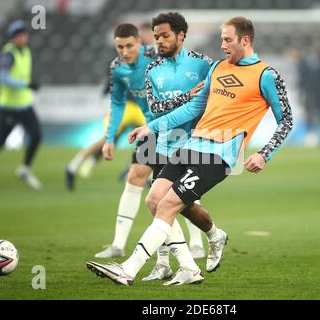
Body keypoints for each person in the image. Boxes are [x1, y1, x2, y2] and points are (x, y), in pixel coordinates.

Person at [87, 16, 293, 287]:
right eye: (221, 39)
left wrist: (263, 154)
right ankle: (195, 260)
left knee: (169, 205)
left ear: (245, 40)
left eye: (228, 40)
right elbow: (194, 108)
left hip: (219, 154)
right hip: (191, 145)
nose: (222, 45)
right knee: (154, 200)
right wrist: (152, 127)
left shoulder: (266, 75)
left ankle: (127, 269)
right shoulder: (217, 67)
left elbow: (286, 120)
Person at [92, 23, 210, 275]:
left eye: (129, 46)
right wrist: (109, 138)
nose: (124, 52)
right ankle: (119, 245)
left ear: (140, 43)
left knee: (174, 189)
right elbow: (117, 102)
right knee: (141, 182)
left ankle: (196, 243)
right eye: (119, 47)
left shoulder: (157, 57)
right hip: (150, 131)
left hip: (174, 128)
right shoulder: (118, 68)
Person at [0, 20, 42, 190]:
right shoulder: (8, 54)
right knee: (0, 140)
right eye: (19, 34)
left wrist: (26, 86)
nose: (23, 37)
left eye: (24, 34)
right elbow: (2, 78)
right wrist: (25, 85)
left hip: (24, 104)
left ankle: (25, 169)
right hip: (9, 106)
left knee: (36, 135)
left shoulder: (25, 51)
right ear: (13, 37)